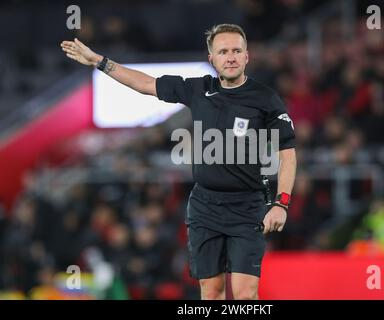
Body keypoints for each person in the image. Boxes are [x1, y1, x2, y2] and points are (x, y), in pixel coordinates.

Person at [61, 24, 296, 300]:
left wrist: (281, 203)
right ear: (212, 59)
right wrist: (99, 61)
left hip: (248, 208)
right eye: (223, 51)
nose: (230, 57)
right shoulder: (198, 89)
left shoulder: (265, 98)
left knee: (245, 295)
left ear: (247, 56)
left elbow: (287, 154)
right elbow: (145, 84)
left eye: (236, 51)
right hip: (205, 207)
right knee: (211, 292)